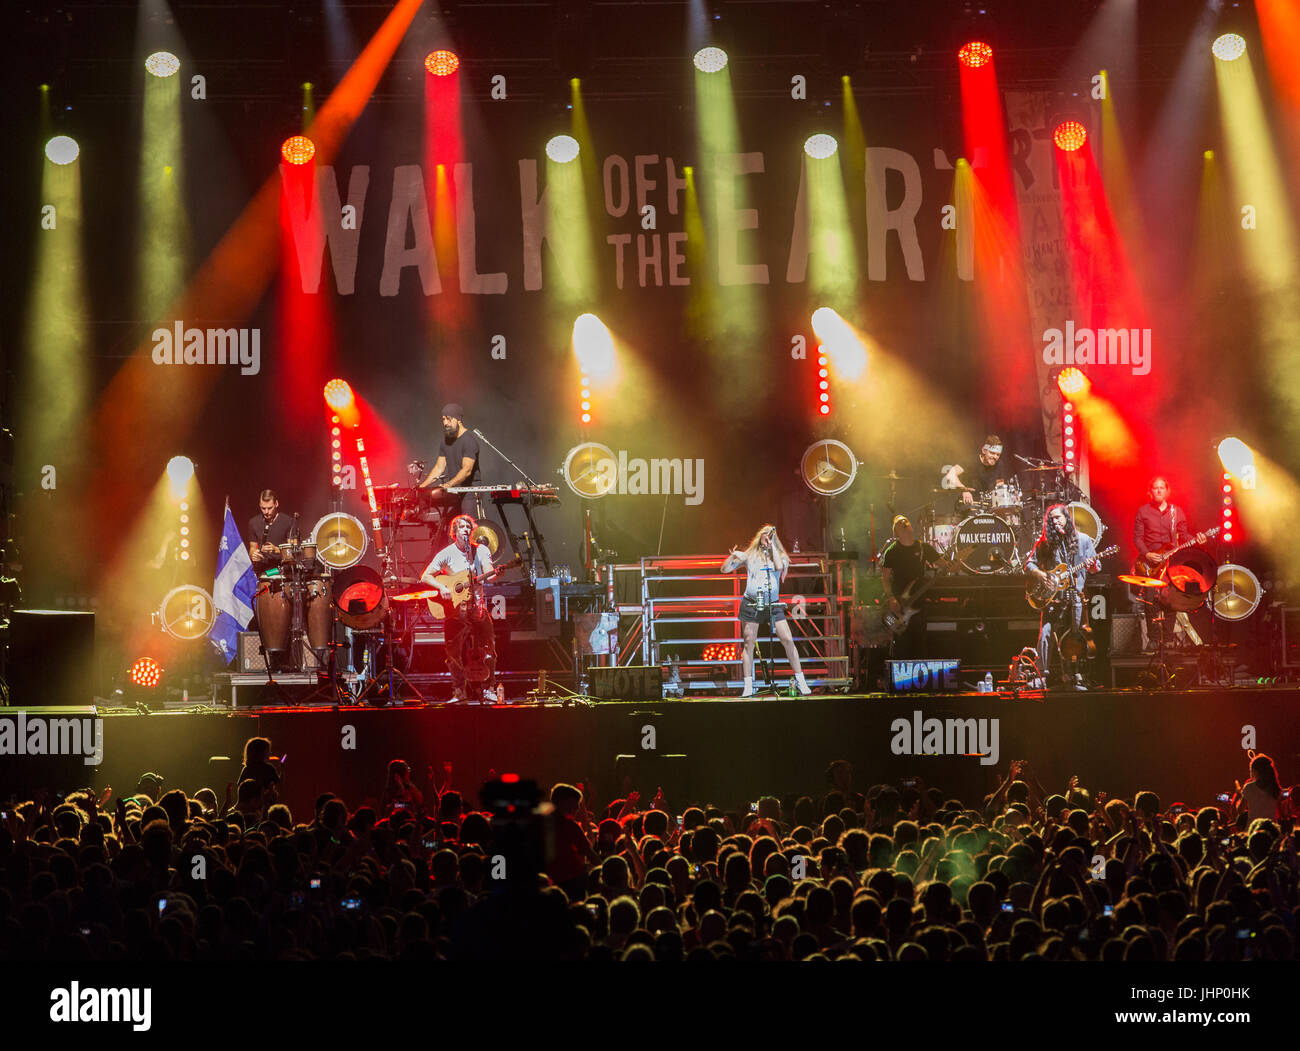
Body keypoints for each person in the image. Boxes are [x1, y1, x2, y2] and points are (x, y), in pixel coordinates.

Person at [721, 524, 812, 698]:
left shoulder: (781, 556)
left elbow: (778, 567)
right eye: (765, 534)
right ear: (759, 536)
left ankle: (801, 681)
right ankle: (748, 685)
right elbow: (724, 569)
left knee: (787, 639)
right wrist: (732, 557)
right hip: (751, 602)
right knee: (748, 642)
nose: (767, 537)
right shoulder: (750, 555)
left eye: (771, 535)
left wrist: (773, 548)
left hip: (773, 604)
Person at [421, 513, 498, 703]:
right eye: (461, 527)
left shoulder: (481, 551)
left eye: (468, 527)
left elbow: (489, 574)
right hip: (455, 610)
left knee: (488, 650)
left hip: (477, 608)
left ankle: (489, 688)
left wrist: (494, 574)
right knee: (453, 653)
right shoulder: (446, 553)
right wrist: (443, 588)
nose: (466, 530)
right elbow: (426, 576)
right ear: (454, 532)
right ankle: (459, 691)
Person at [1027, 504, 1100, 690]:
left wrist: (1091, 565)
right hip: (1053, 599)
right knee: (1045, 634)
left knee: (1075, 637)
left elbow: (1096, 568)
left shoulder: (1083, 540)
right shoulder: (1045, 543)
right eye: (1051, 519)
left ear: (1067, 519)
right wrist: (1042, 575)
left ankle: (1074, 674)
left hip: (1075, 597)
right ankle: (1041, 675)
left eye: (1058, 517)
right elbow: (1029, 565)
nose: (1055, 521)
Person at [1132, 476, 1208, 651]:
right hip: (1150, 563)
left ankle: (1167, 640)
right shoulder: (1143, 511)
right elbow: (1137, 538)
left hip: (1170, 562)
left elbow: (1184, 534)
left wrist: (1198, 539)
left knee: (1170, 600)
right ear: (1149, 492)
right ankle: (1153, 639)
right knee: (1150, 600)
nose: (1158, 491)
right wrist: (1147, 554)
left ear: (1167, 491)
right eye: (1155, 488)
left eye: (1161, 488)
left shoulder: (1176, 512)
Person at [879, 515, 943, 659]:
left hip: (919, 602)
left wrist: (957, 561)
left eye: (906, 521)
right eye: (900, 523)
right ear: (896, 532)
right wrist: (891, 598)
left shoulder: (923, 547)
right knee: (902, 645)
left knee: (920, 643)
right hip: (899, 605)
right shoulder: (891, 551)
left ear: (911, 527)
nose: (904, 523)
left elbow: (945, 566)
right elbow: (884, 579)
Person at [418, 404, 481, 517]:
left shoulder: (469, 440)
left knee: (466, 529)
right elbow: (439, 467)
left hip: (470, 493)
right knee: (449, 529)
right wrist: (422, 487)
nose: (445, 423)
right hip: (454, 491)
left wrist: (448, 484)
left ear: (458, 420)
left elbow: (467, 470)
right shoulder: (446, 441)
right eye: (443, 419)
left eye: (449, 419)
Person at [942, 434, 1013, 508]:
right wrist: (964, 490)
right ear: (984, 450)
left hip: (988, 507)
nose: (995, 457)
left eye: (998, 455)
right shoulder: (971, 461)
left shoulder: (999, 464)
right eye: (992, 453)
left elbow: (1000, 487)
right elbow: (950, 474)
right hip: (968, 504)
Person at [1236, 752, 1292, 822]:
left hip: (1255, 828)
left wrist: (1240, 795)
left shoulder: (1249, 787)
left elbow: (1240, 810)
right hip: (1272, 827)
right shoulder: (1275, 788)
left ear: (1254, 771)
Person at [247, 489, 295, 566]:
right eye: (263, 508)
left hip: (283, 569)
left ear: (276, 504)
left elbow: (294, 551)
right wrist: (254, 555)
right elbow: (252, 548)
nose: (266, 512)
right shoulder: (253, 522)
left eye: (269, 508)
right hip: (261, 569)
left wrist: (275, 549)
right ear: (259, 505)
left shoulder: (289, 522)